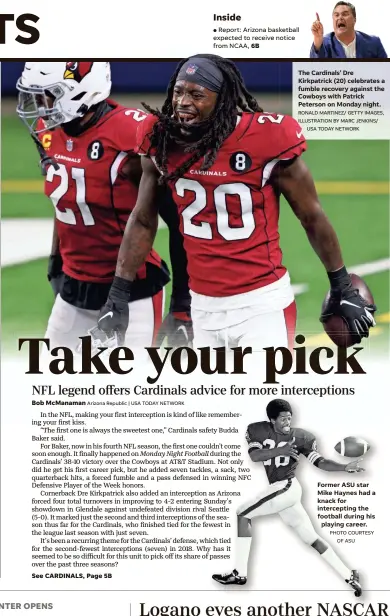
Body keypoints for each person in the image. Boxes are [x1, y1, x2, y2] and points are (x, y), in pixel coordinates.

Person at [96, 54, 376, 350]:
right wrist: (118, 295)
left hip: (260, 305)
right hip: (202, 307)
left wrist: (340, 284)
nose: (182, 102)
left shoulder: (266, 138)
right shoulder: (161, 139)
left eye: (196, 94)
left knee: (262, 394)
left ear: (222, 99)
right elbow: (142, 219)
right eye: (178, 91)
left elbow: (311, 216)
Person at [16, 61, 192, 351]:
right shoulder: (49, 131)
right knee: (52, 389)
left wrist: (183, 305)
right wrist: (56, 259)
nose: (40, 105)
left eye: (48, 94)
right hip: (73, 289)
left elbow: (181, 222)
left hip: (131, 294)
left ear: (80, 91)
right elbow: (68, 202)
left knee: (124, 392)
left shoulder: (132, 132)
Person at [212, 399, 364, 596]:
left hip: (287, 486)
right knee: (311, 538)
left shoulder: (302, 437)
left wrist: (343, 468)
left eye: (289, 418)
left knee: (243, 514)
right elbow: (255, 456)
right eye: (282, 418)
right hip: (283, 492)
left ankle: (239, 574)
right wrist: (280, 450)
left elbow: (320, 462)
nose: (287, 422)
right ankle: (349, 574)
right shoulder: (257, 430)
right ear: (272, 420)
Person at [310, 3, 387, 58]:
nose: (340, 17)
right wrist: (318, 38)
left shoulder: (374, 43)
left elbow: (385, 73)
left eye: (345, 14)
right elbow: (315, 69)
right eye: (336, 15)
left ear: (354, 20)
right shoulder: (324, 44)